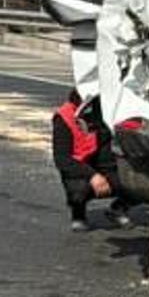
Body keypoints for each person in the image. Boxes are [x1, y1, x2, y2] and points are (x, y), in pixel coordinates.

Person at [52, 89, 130, 232]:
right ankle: (78, 214)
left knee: (142, 180)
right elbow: (62, 159)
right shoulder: (64, 117)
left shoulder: (108, 112)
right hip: (81, 169)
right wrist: (93, 176)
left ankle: (118, 208)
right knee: (78, 191)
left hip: (106, 165)